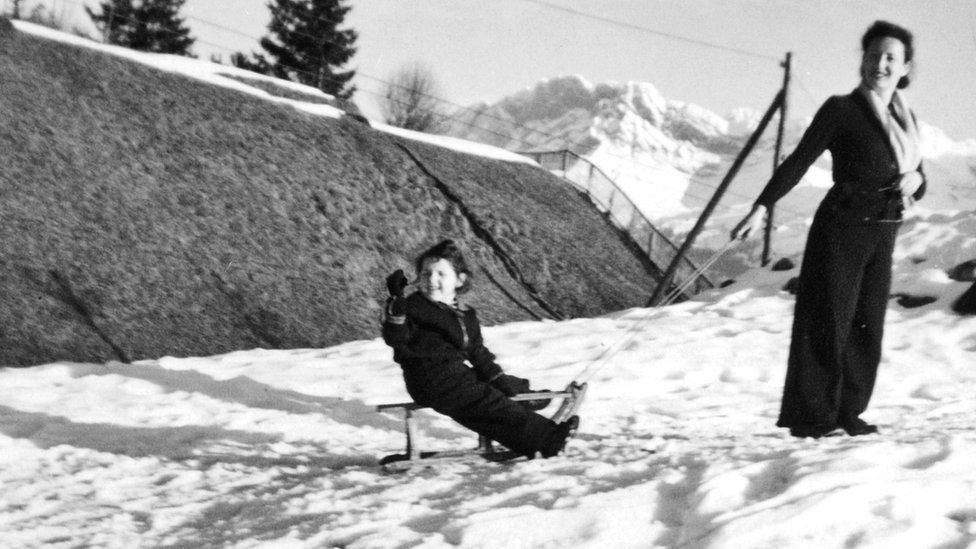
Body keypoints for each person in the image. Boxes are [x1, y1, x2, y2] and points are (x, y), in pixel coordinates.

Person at [731, 20, 926, 439]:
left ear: (906, 67)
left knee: (866, 325)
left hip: (883, 230)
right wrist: (762, 206)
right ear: (863, 61)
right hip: (842, 225)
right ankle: (813, 417)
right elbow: (799, 160)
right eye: (873, 55)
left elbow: (918, 178)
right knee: (828, 321)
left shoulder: (907, 123)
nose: (880, 63)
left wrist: (916, 181)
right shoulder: (842, 109)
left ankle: (848, 412)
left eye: (891, 57)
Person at [380, 239, 579, 458]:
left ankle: (524, 396)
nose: (431, 280)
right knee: (487, 402)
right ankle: (547, 439)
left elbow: (478, 353)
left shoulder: (466, 314)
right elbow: (395, 339)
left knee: (496, 383)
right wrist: (396, 308)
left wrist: (502, 381)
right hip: (428, 379)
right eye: (426, 274)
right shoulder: (413, 307)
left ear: (459, 280)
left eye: (440, 274)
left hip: (455, 374)